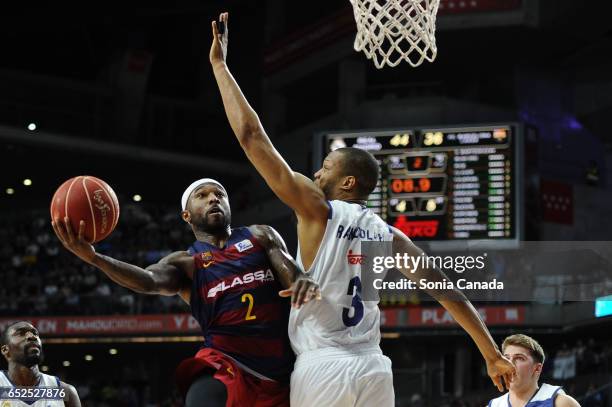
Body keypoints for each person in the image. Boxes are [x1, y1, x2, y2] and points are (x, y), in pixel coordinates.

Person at [209, 12, 515, 407]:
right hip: (374, 368)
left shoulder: (318, 210)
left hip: (324, 366)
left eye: (327, 167)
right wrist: (490, 353)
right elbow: (447, 291)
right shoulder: (390, 236)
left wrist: (219, 66)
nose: (317, 172)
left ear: (348, 182)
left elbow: (252, 137)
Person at [51, 178, 320, 407]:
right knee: (201, 396)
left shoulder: (260, 236)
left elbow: (293, 276)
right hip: (230, 363)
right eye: (202, 196)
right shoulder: (186, 262)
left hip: (286, 369)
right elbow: (148, 281)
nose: (213, 199)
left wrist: (301, 282)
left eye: (219, 194)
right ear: (186, 215)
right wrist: (96, 259)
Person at [0, 321, 81, 406]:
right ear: (5, 350)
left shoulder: (66, 392)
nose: (32, 336)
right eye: (21, 333)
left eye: (35, 333)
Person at [488, 334, 580, 407]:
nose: (510, 364)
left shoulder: (561, 403)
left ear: (537, 368)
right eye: (506, 358)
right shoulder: (494, 405)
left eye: (519, 358)